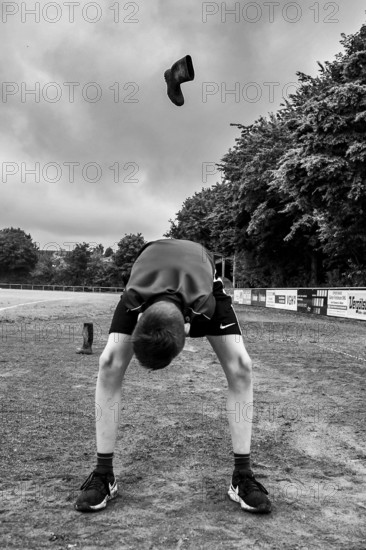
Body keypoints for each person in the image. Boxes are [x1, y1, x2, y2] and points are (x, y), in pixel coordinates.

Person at [75, 238, 271, 514]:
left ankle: (242, 475)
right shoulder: (134, 298)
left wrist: (188, 329)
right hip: (151, 267)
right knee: (109, 362)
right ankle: (103, 474)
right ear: (139, 316)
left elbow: (197, 325)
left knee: (241, 366)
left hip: (199, 270)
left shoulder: (204, 305)